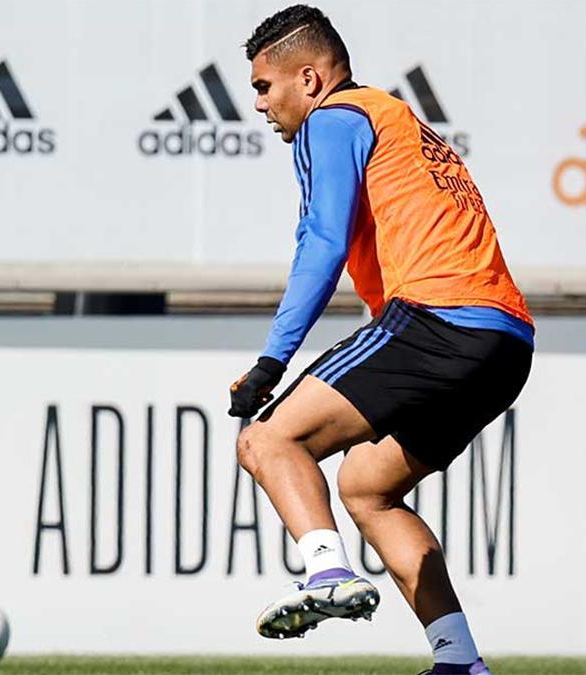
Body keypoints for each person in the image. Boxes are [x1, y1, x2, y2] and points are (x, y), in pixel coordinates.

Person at [229, 6, 533, 675]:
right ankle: (460, 661)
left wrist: (271, 360)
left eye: (262, 86)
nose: (258, 103)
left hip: (439, 318)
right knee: (367, 486)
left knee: (267, 439)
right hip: (506, 342)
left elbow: (322, 242)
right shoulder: (394, 117)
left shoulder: (331, 119)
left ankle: (326, 574)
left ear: (309, 78)